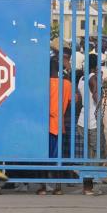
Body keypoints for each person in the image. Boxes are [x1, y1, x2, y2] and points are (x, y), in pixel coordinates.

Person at [40, 50, 73, 195]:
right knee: (58, 157)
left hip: (44, 125)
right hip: (59, 125)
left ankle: (42, 187)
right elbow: (74, 102)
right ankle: (58, 188)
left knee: (43, 157)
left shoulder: (43, 84)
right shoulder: (66, 84)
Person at [77, 53, 107, 195]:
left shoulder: (81, 79)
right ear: (96, 66)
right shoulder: (93, 78)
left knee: (87, 154)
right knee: (99, 152)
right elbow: (97, 98)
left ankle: (88, 184)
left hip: (82, 120)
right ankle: (90, 184)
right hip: (92, 122)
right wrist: (102, 88)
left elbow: (80, 99)